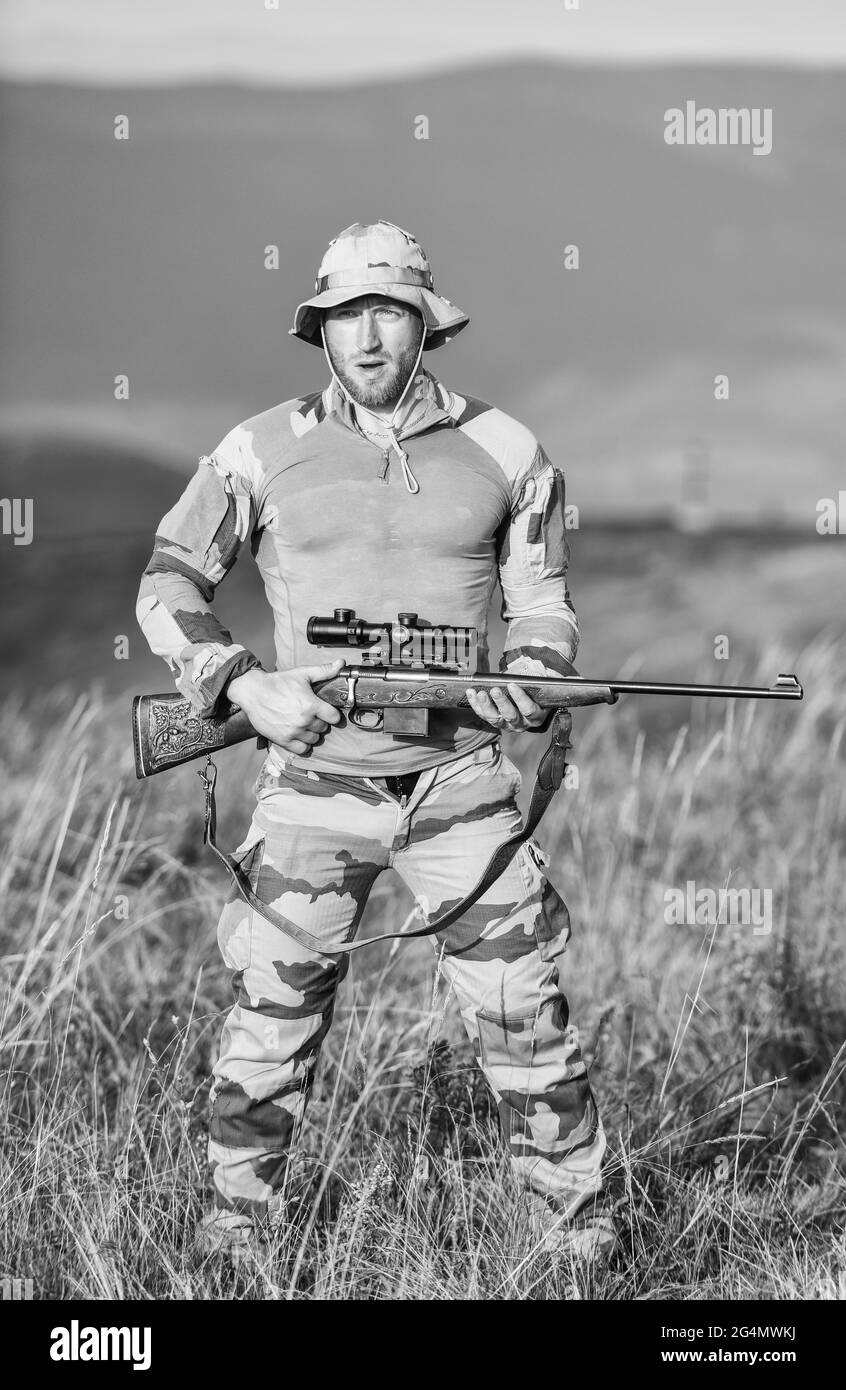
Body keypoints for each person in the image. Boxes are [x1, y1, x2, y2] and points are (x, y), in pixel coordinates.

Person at [136, 220, 614, 1261]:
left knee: (522, 1010)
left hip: (461, 781)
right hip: (309, 783)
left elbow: (542, 601)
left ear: (424, 324)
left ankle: (579, 1241)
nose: (366, 335)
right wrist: (243, 686)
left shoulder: (510, 452)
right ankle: (233, 1237)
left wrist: (530, 676)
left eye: (387, 310)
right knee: (272, 1020)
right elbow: (169, 583)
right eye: (346, 313)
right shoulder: (256, 450)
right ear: (318, 328)